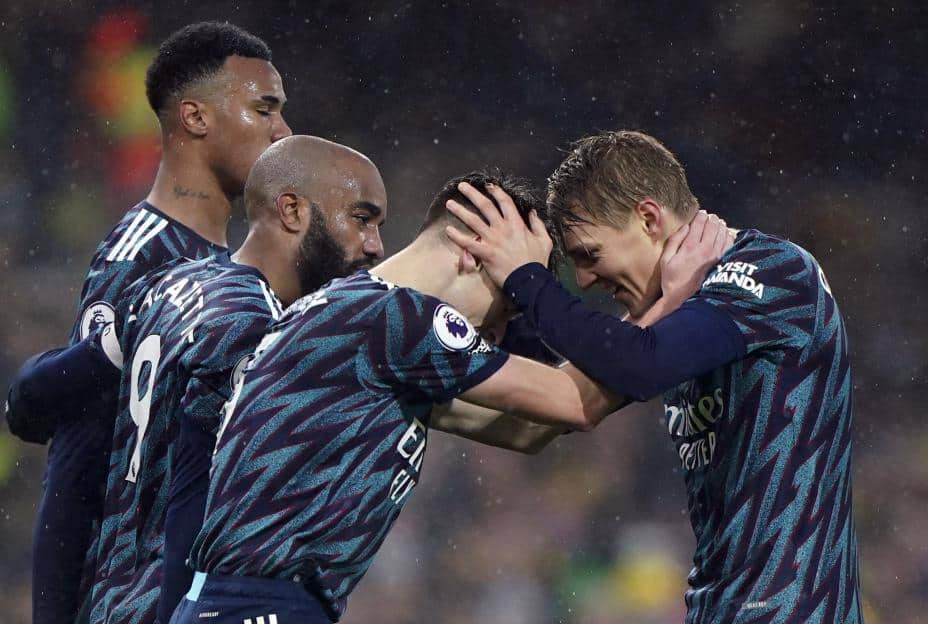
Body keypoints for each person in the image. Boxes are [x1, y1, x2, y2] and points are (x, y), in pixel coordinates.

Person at [169, 171, 727, 623]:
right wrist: (668, 303)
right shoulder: (398, 318)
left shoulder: (354, 322)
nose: (499, 331)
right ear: (471, 253)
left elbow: (528, 429)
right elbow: (569, 401)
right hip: (260, 606)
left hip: (236, 603)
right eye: (508, 297)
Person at [445, 130, 862, 623]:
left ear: (648, 218)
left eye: (590, 255)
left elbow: (638, 364)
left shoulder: (773, 270)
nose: (585, 280)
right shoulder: (679, 314)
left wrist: (526, 279)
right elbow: (563, 390)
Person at [7, 136, 386, 624]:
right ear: (292, 210)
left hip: (107, 603)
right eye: (361, 219)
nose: (375, 246)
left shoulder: (174, 285)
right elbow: (193, 508)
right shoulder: (253, 329)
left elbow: (35, 394)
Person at [4, 21, 292, 623]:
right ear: (195, 117)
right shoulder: (141, 254)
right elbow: (76, 456)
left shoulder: (224, 268)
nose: (282, 131)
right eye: (263, 109)